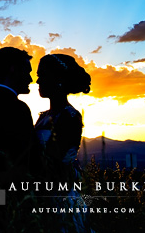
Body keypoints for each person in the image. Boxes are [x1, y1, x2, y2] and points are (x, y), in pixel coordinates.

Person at [35, 53, 93, 233]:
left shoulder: (69, 116)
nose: (37, 82)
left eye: (42, 76)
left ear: (57, 80)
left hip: (62, 194)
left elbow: (55, 159)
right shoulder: (43, 117)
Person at [0, 46, 37, 188]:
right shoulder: (17, 109)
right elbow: (27, 160)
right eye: (27, 72)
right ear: (13, 70)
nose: (31, 79)